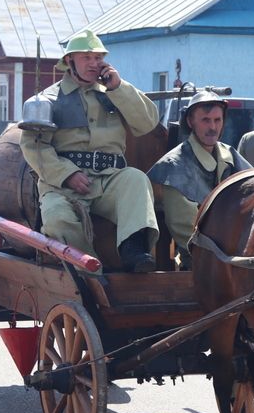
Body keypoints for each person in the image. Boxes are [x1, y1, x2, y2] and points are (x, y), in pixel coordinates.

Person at [19, 28, 159, 272]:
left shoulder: (115, 93)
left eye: (98, 58)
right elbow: (34, 147)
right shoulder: (47, 99)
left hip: (109, 180)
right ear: (69, 61)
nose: (94, 63)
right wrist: (67, 175)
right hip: (61, 187)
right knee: (56, 217)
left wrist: (120, 88)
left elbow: (147, 123)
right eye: (86, 57)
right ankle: (91, 271)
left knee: (136, 180)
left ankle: (135, 253)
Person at [148, 91, 252, 269]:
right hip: (201, 261)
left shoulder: (231, 155)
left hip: (238, 253)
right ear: (190, 122)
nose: (212, 127)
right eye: (205, 120)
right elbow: (187, 233)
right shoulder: (174, 166)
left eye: (217, 120)